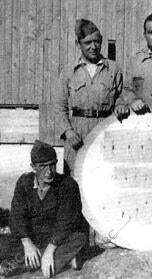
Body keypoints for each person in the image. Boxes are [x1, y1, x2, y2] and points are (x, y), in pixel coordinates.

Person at [0, 140, 87, 278]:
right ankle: (64, 260)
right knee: (3, 245)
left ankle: (18, 265)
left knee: (79, 238)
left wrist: (50, 250)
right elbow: (16, 215)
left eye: (52, 164)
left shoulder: (68, 185)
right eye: (43, 166)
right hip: (35, 239)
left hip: (59, 238)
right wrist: (27, 242)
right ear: (33, 167)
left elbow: (66, 222)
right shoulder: (24, 183)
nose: (49, 171)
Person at [56, 19, 128, 175]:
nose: (93, 47)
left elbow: (121, 96)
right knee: (74, 181)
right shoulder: (69, 71)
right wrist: (68, 131)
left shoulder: (114, 69)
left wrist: (121, 104)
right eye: (87, 42)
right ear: (78, 43)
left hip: (104, 130)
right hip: (77, 132)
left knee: (102, 177)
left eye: (97, 41)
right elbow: (59, 107)